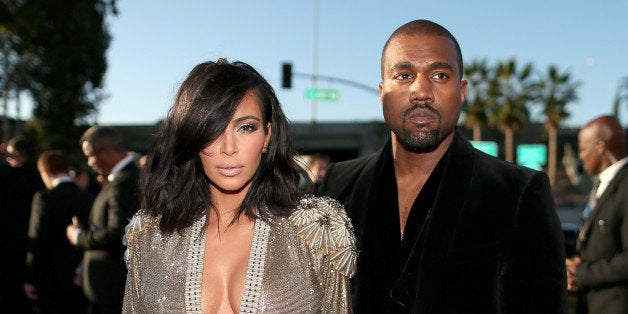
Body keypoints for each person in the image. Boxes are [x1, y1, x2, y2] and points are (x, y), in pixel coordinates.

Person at [317, 19, 567, 313]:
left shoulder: (518, 192)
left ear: (462, 92)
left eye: (439, 75)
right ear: (382, 92)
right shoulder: (337, 184)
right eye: (404, 75)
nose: (421, 91)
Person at [122, 59, 356, 313]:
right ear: (193, 138)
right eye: (212, 130)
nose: (229, 148)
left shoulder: (316, 230)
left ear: (267, 135)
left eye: (246, 127)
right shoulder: (149, 236)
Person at [66, 125, 140, 313]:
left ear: (105, 151)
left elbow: (120, 233)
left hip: (112, 289)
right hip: (109, 288)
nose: (90, 163)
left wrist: (79, 236)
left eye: (90, 155)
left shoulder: (123, 183)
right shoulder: (123, 179)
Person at [566, 115, 628, 314]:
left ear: (600, 147)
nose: (581, 156)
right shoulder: (602, 185)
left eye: (583, 148)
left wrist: (581, 273)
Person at [24, 150, 93, 313]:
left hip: (51, 279)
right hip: (81, 278)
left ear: (45, 172)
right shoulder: (87, 197)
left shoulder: (44, 198)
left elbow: (37, 239)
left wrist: (30, 278)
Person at [0, 136, 45, 312]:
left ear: (17, 155)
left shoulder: (6, 176)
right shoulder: (40, 176)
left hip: (8, 249)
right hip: (35, 245)